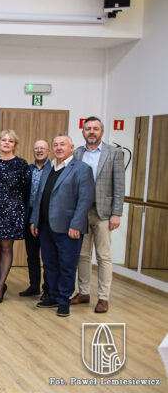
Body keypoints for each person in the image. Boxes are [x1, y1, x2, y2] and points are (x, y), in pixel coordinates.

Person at [30, 134, 94, 317]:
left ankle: (64, 300)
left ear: (71, 147)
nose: (58, 148)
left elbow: (85, 200)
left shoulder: (81, 169)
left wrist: (76, 225)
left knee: (67, 265)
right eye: (56, 144)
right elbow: (40, 196)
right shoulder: (49, 168)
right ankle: (53, 295)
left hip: (68, 228)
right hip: (46, 226)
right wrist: (35, 220)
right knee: (50, 264)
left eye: (63, 144)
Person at [71, 117, 125, 314]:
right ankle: (83, 292)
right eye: (88, 129)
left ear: (101, 131)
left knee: (103, 256)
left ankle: (103, 297)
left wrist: (116, 213)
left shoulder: (114, 153)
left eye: (95, 128)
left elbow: (119, 185)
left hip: (103, 213)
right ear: (83, 132)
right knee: (82, 255)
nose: (91, 132)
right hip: (81, 212)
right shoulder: (77, 153)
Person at [0, 130, 30, 303]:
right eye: (4, 140)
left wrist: (18, 209)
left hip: (12, 211)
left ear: (15, 145)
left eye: (11, 141)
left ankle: (0, 287)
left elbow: (26, 190)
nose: (7, 143)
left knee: (6, 248)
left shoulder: (21, 164)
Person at [20, 140, 52, 299]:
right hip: (29, 213)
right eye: (36, 148)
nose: (39, 151)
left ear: (48, 151)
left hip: (46, 215)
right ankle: (34, 286)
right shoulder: (28, 169)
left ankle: (48, 289)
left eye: (42, 148)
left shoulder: (54, 169)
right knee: (32, 254)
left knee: (47, 254)